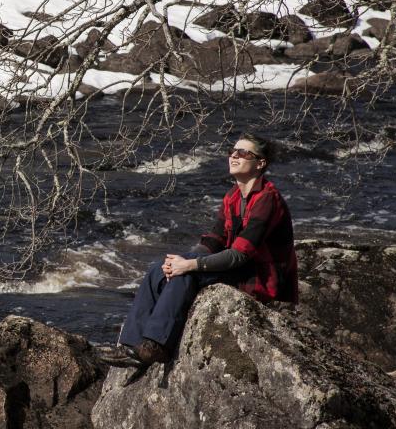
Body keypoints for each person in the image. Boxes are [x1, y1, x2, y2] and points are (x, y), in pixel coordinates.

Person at [100, 133, 298, 368]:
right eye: (232, 152)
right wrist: (181, 260)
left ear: (260, 163)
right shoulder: (233, 196)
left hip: (261, 277)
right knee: (158, 270)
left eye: (243, 153)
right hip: (242, 268)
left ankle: (155, 346)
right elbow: (215, 239)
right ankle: (131, 345)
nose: (234, 156)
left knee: (188, 274)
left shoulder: (267, 199)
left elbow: (240, 254)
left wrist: (191, 264)